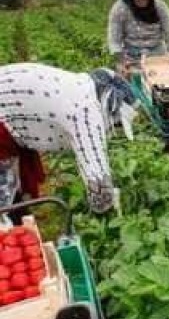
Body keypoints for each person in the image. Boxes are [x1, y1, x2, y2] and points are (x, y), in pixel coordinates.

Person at [0, 63, 138, 214]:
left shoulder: (83, 86)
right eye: (117, 123)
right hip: (3, 121)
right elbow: (96, 175)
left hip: (9, 97)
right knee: (4, 192)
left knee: (12, 187)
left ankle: (16, 216)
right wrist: (107, 207)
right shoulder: (85, 113)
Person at [107, 0, 169, 75]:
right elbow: (114, 40)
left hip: (158, 56)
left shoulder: (159, 7)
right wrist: (121, 62)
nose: (143, 1)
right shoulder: (120, 9)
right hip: (132, 57)